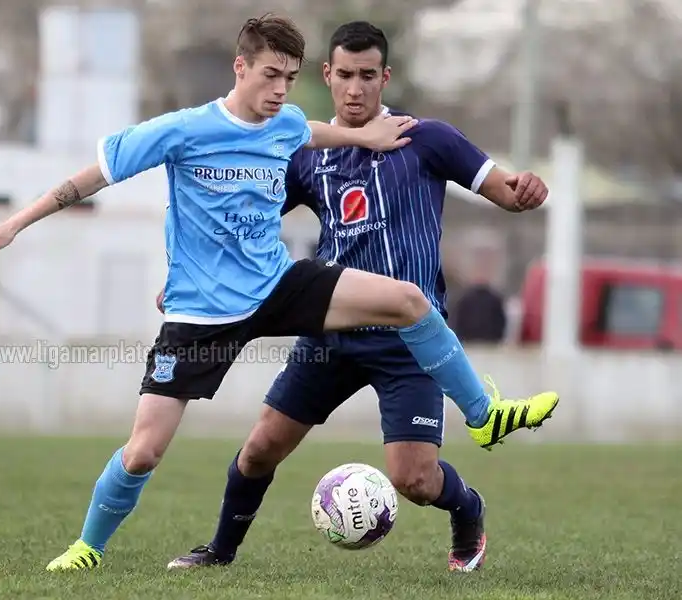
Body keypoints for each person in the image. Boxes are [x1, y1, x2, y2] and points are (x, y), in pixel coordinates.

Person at [0, 15, 554, 573]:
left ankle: (483, 414)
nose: (279, 91)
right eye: (271, 76)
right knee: (147, 453)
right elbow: (87, 180)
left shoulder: (298, 126)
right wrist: (14, 223)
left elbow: (313, 130)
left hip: (279, 287)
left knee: (410, 302)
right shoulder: (183, 130)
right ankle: (89, 548)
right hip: (203, 313)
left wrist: (370, 138)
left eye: (289, 79)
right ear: (240, 69)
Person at [165, 21, 556, 574]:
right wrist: (191, 270)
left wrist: (526, 191)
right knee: (259, 450)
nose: (355, 88)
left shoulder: (429, 139)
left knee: (414, 480)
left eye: (367, 76)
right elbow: (245, 223)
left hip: (409, 342)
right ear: (327, 75)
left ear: (384, 77)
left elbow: (505, 192)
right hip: (332, 332)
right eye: (344, 75)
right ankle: (219, 551)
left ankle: (467, 508)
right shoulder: (309, 155)